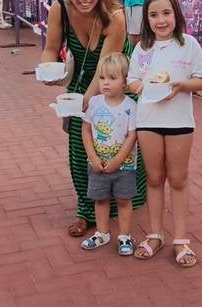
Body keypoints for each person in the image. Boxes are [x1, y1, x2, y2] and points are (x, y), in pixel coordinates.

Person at [39, 0, 146, 237]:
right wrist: (49, 69)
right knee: (80, 146)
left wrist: (84, 104)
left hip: (118, 83)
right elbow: (51, 49)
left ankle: (124, 201)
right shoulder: (60, 9)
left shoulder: (116, 16)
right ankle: (86, 211)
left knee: (121, 143)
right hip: (82, 82)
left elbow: (104, 70)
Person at [128, 0, 202, 267]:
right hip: (148, 121)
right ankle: (155, 235)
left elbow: (201, 79)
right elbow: (132, 81)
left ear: (176, 14)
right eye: (153, 15)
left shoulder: (189, 44)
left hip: (179, 122)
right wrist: (142, 86)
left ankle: (181, 239)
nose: (160, 20)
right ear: (146, 19)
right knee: (153, 178)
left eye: (166, 13)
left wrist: (180, 86)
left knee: (177, 179)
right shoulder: (142, 48)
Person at [79, 53, 139, 255]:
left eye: (112, 78)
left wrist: (117, 161)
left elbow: (132, 136)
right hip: (97, 165)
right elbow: (86, 130)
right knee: (101, 199)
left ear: (124, 82)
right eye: (102, 77)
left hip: (125, 166)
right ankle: (102, 233)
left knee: (124, 200)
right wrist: (93, 159)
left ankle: (124, 236)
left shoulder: (131, 107)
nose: (105, 83)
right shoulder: (95, 103)